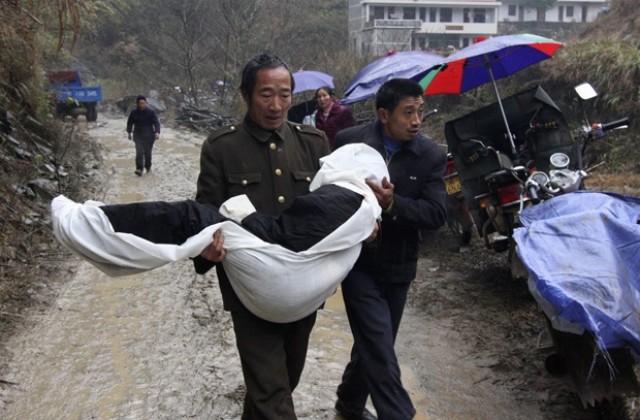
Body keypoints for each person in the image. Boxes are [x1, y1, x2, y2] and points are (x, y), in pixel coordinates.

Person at [193, 53, 331, 419]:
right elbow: (204, 211)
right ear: (246, 94)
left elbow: (333, 206)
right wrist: (205, 246)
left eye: (284, 95)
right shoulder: (222, 147)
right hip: (249, 289)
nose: (276, 105)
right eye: (266, 94)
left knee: (284, 378)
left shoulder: (314, 143)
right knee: (272, 391)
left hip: (303, 284)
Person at [332, 78, 447, 420]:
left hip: (399, 267)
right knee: (379, 343)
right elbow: (328, 190)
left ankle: (349, 403)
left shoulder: (431, 155)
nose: (416, 121)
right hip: (357, 264)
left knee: (375, 342)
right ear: (383, 114)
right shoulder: (349, 142)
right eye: (408, 112)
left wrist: (394, 205)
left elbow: (437, 214)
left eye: (420, 112)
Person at [126, 95, 161, 176]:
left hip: (149, 137)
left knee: (148, 154)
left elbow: (156, 123)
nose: (142, 105)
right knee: (139, 153)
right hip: (138, 136)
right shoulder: (134, 113)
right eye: (140, 103)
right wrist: (129, 132)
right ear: (137, 104)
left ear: (146, 103)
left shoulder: (151, 112)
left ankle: (148, 167)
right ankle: (139, 169)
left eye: (143, 103)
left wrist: (157, 132)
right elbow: (130, 123)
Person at [313, 86, 357, 150]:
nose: (322, 99)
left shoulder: (343, 111)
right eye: (319, 97)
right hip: (326, 150)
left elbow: (352, 131)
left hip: (343, 148)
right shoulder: (318, 115)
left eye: (324, 95)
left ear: (331, 97)